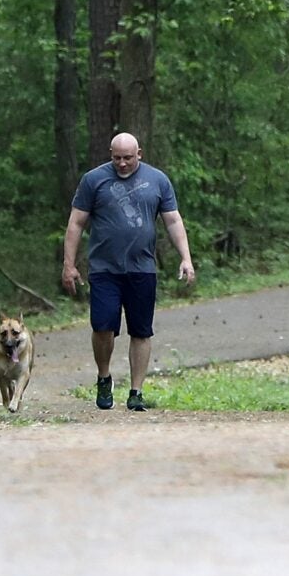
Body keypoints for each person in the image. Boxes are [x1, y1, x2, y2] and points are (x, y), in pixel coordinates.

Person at [62, 132, 195, 410]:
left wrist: (186, 258)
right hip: (104, 269)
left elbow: (172, 220)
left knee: (141, 330)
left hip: (142, 268)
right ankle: (104, 376)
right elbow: (76, 223)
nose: (122, 164)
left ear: (140, 154)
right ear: (110, 154)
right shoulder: (94, 180)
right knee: (103, 326)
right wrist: (69, 264)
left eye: (128, 158)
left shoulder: (158, 180)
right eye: (117, 158)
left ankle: (136, 391)